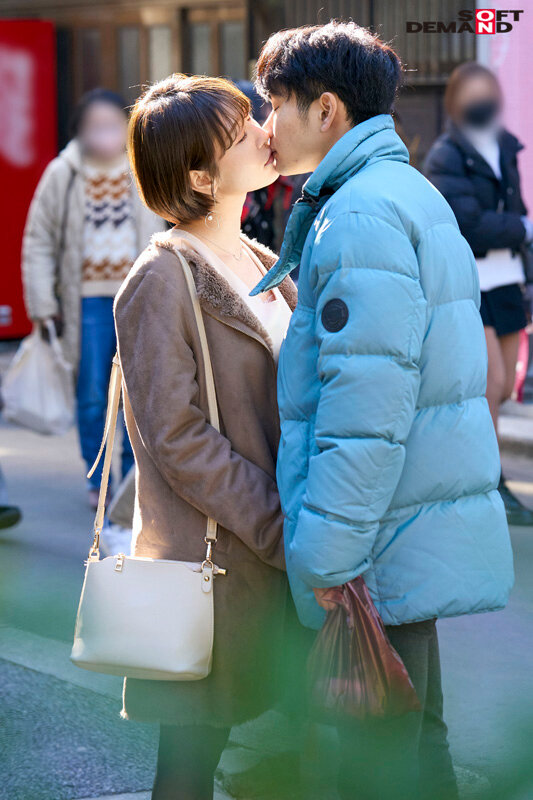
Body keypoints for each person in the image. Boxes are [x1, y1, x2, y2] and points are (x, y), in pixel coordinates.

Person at [250, 21, 514, 800]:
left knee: (377, 761)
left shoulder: (358, 214)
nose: (267, 125)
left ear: (325, 109)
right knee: (415, 741)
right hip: (402, 521)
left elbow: (365, 406)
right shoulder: (401, 192)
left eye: (275, 104)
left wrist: (326, 555)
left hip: (374, 539)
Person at [113, 74, 297, 800]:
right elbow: (175, 436)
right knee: (188, 770)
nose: (263, 131)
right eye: (241, 130)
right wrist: (275, 520)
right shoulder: (160, 277)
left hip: (272, 552)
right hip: (216, 562)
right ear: (200, 176)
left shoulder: (259, 258)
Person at [21, 89, 165, 509]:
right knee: (92, 395)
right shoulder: (63, 173)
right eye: (94, 126)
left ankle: (130, 482)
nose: (104, 134)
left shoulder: (142, 166)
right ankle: (97, 477)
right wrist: (42, 305)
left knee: (136, 393)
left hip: (136, 297)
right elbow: (38, 239)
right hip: (86, 303)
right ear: (79, 131)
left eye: (112, 125)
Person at [424, 63, 533, 526]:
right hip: (471, 282)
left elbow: (514, 208)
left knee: (505, 386)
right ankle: (489, 481)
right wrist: (521, 228)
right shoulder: (446, 154)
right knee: (488, 383)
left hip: (508, 279)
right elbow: (467, 224)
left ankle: (468, 469)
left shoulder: (506, 146)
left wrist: (519, 232)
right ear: (454, 101)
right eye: (470, 94)